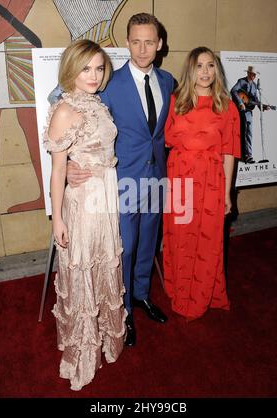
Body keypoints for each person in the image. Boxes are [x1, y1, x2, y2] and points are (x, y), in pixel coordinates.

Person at [63, 13, 175, 346]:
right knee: (124, 248)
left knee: (148, 241)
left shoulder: (168, 81)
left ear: (160, 45)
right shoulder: (109, 81)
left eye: (149, 42)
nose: (142, 49)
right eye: (136, 41)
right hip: (122, 180)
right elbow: (66, 106)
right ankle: (123, 310)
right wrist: (69, 161)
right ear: (127, 43)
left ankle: (141, 294)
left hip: (156, 178)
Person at [43, 39, 126, 391]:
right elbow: (58, 169)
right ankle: (83, 350)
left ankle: (107, 336)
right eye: (86, 68)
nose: (94, 75)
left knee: (104, 265)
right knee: (82, 269)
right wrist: (58, 220)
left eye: (99, 68)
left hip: (106, 197)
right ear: (71, 70)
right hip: (82, 202)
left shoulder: (97, 104)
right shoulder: (64, 110)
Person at [163, 46, 241, 321]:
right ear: (190, 70)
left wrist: (228, 193)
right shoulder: (176, 101)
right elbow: (165, 140)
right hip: (180, 177)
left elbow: (229, 152)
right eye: (199, 66)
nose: (205, 72)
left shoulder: (227, 106)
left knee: (207, 240)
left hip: (211, 180)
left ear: (216, 70)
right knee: (181, 236)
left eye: (210, 66)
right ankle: (180, 289)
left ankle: (202, 294)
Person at [231, 66, 259, 164]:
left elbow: (256, 100)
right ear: (248, 73)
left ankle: (249, 155)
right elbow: (233, 90)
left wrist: (262, 107)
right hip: (240, 111)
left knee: (249, 133)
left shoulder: (255, 86)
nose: (254, 76)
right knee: (243, 132)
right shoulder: (241, 81)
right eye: (253, 74)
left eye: (255, 75)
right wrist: (240, 103)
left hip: (249, 112)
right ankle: (245, 155)